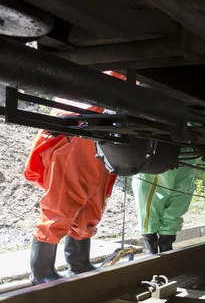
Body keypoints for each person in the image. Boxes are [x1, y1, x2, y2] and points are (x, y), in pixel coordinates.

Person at [24, 102, 116, 284]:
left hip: (100, 134)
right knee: (61, 205)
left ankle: (79, 264)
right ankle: (41, 271)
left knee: (91, 205)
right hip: (76, 132)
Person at [132, 161, 195, 255]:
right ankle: (153, 252)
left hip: (185, 159)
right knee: (149, 203)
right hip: (158, 158)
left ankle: (165, 250)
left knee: (178, 202)